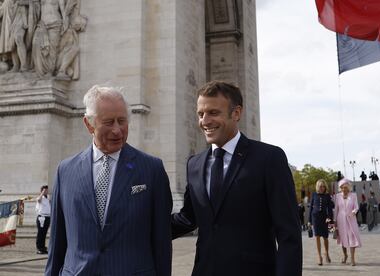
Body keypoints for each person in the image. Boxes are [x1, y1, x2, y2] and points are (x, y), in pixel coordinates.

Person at [171, 81, 302, 276]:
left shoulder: (269, 158)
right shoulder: (194, 164)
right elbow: (189, 218)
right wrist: (139, 226)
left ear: (236, 113)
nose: (205, 121)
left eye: (213, 113)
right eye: (200, 114)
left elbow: (288, 234)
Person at [45, 85, 172, 276]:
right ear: (89, 124)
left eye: (122, 121)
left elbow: (162, 242)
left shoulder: (152, 169)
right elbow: (57, 242)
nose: (117, 130)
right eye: (108, 122)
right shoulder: (66, 171)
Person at [334, 178, 361, 266]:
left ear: (349, 187)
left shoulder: (353, 195)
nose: (344, 189)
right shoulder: (337, 196)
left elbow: (356, 207)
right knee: (343, 238)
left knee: (352, 236)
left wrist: (352, 213)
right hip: (341, 219)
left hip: (351, 219)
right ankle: (345, 255)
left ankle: (352, 258)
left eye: (345, 187)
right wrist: (334, 221)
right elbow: (336, 209)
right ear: (340, 188)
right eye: (342, 187)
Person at [308, 179, 333, 265]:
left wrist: (329, 218)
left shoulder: (327, 196)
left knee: (325, 237)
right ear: (318, 187)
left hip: (324, 218)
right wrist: (309, 221)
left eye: (323, 186)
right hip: (315, 218)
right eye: (320, 186)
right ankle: (319, 257)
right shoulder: (314, 194)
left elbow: (330, 209)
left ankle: (326, 253)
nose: (322, 188)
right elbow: (311, 208)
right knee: (317, 236)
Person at [35, 185, 50, 254]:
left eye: (47, 190)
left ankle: (43, 247)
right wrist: (42, 193)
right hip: (42, 217)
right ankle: (39, 248)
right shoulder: (40, 198)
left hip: (47, 217)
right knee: (40, 233)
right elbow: (38, 200)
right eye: (45, 190)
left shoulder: (47, 199)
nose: (46, 191)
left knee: (44, 233)